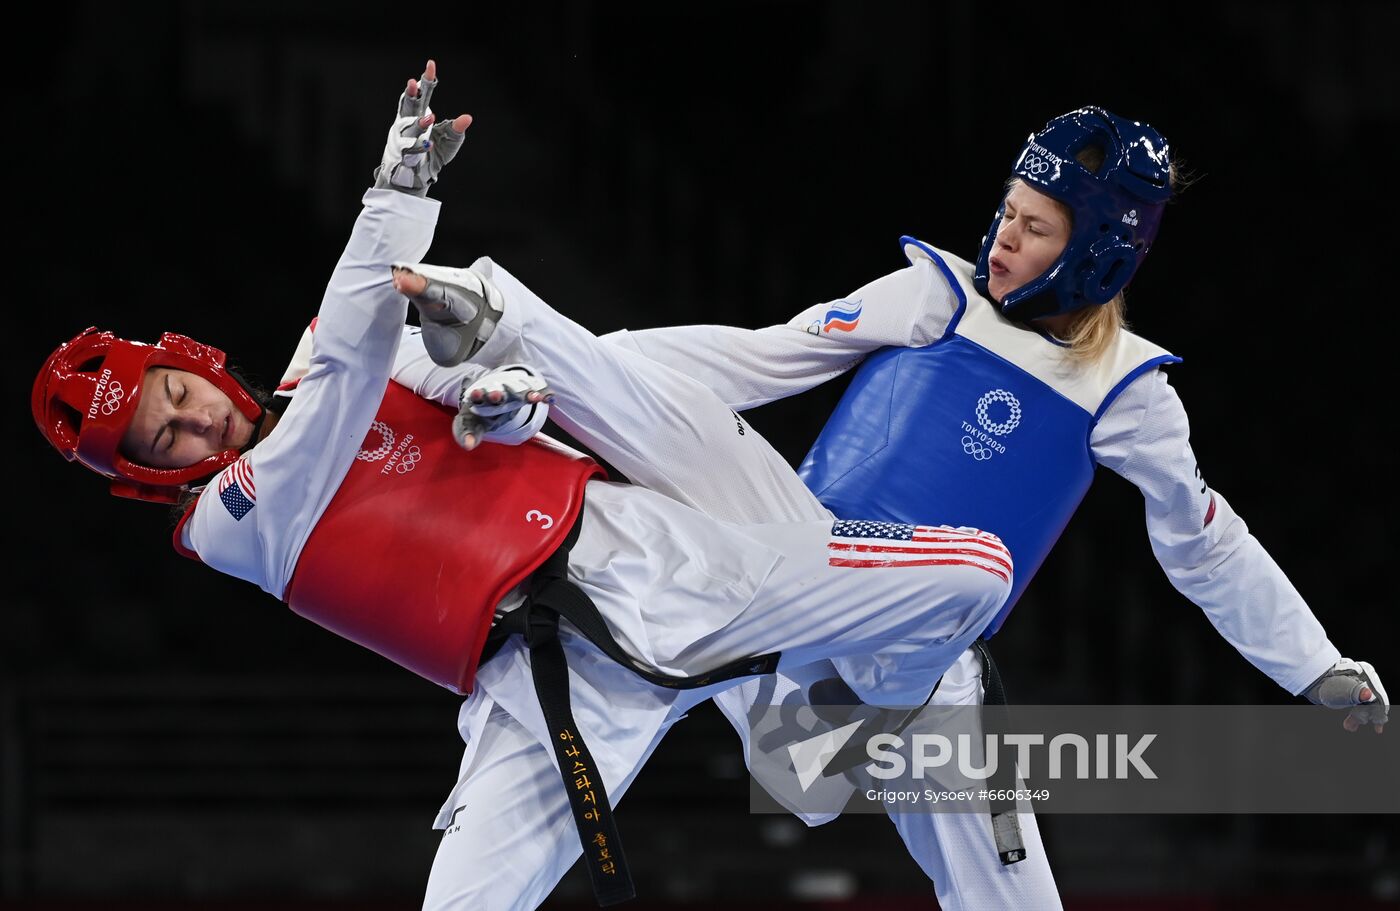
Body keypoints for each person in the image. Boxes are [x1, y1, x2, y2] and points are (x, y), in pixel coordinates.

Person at [31, 61, 1019, 910]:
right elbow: (348, 373)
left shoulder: (327, 352)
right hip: (538, 686)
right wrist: (392, 202)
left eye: (174, 392)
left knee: (974, 575)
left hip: (641, 556)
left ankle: (915, 677)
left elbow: (440, 370)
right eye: (162, 436)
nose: (192, 418)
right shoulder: (225, 523)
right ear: (147, 477)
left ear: (193, 359)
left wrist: (501, 391)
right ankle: (867, 691)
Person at [583, 106, 1390, 910]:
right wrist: (585, 358)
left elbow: (1207, 548)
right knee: (806, 780)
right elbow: (757, 355)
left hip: (929, 661)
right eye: (1007, 212)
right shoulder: (932, 296)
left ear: (1098, 254)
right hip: (805, 579)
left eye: (1035, 226)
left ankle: (844, 713)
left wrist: (1315, 665)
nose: (1003, 237)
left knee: (1011, 896)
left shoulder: (1128, 394)